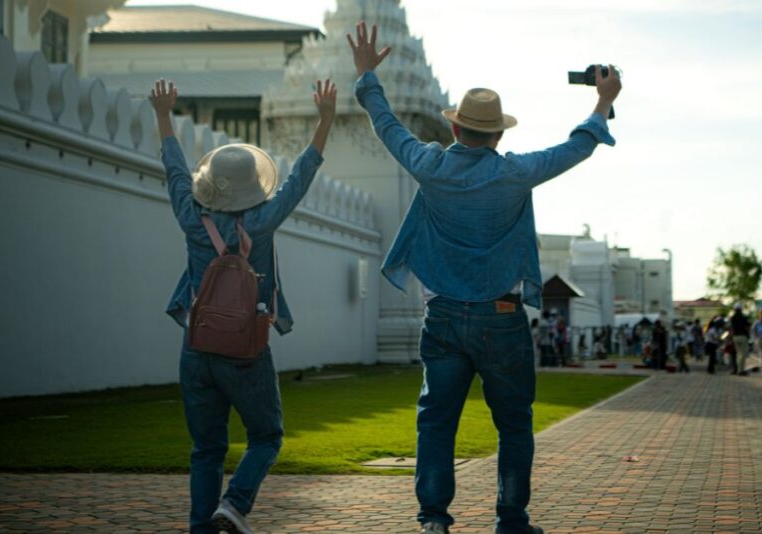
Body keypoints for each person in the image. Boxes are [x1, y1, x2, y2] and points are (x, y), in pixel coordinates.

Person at [347, 21, 620, 534]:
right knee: (514, 425)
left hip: (443, 316)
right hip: (501, 318)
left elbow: (387, 126)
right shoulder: (515, 172)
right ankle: (510, 521)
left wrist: (367, 76)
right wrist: (603, 101)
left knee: (436, 422)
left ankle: (433, 521)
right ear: (498, 134)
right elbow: (577, 146)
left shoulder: (430, 165)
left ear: (455, 129)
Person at [151, 78, 337, 533]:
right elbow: (299, 179)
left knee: (206, 449)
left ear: (212, 185)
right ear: (254, 185)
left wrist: (162, 114)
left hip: (196, 346)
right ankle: (233, 505)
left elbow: (176, 171)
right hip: (246, 349)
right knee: (267, 436)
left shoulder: (191, 219)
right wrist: (325, 120)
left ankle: (203, 527)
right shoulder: (264, 218)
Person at [730, 303, 751, 375]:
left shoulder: (732, 318)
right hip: (742, 336)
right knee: (743, 354)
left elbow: (731, 328)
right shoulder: (744, 317)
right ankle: (741, 370)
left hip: (735, 337)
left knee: (738, 354)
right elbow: (748, 327)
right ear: (741, 309)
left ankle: (737, 369)